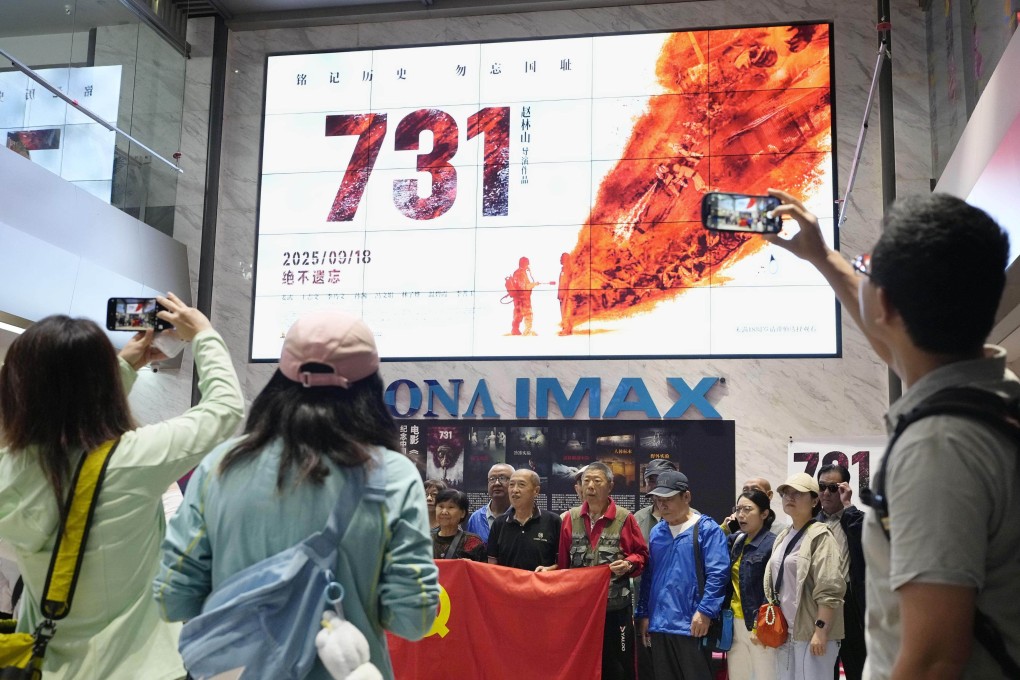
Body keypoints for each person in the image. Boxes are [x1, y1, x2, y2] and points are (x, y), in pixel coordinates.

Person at [766, 189, 1020, 678]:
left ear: (883, 302)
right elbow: (895, 340)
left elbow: (932, 659)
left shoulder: (939, 448)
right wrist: (822, 255)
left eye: (865, 268)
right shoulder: (991, 392)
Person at [154, 310, 439, 680]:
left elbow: (172, 596)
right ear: (370, 386)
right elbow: (413, 617)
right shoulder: (392, 475)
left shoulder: (220, 466)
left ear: (281, 377)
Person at [0, 294, 244, 680]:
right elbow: (224, 409)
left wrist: (122, 368)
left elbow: (66, 418)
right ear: (102, 386)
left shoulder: (8, 469)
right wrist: (203, 335)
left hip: (49, 667)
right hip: (141, 668)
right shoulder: (136, 459)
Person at [539, 462, 649, 680]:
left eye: (596, 481)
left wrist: (628, 564)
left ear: (610, 485)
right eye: (585, 481)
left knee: (619, 666)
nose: (590, 486)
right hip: (581, 610)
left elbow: (642, 555)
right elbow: (564, 564)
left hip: (616, 608)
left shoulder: (624, 518)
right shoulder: (570, 518)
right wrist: (550, 572)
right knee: (582, 663)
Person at [636, 470, 728, 680]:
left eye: (668, 499)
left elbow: (718, 574)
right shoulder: (657, 532)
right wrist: (643, 614)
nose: (662, 506)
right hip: (660, 625)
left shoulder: (707, 529)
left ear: (686, 497)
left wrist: (705, 611)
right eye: (658, 500)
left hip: (692, 625)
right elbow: (649, 576)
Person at [763, 473, 845, 680]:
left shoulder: (821, 536)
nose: (789, 497)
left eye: (798, 493)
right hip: (785, 632)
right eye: (786, 493)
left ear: (815, 500)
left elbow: (830, 587)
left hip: (811, 632)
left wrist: (821, 631)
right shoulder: (783, 535)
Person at [815, 464, 865, 680]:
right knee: (824, 668)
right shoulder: (811, 522)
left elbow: (866, 545)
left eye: (833, 488)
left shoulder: (857, 519)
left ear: (844, 489)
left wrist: (848, 506)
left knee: (858, 667)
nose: (826, 493)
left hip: (850, 604)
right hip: (818, 604)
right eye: (822, 487)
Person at [632, 458, 678, 680]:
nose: (654, 484)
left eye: (659, 479)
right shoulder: (637, 519)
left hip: (682, 612)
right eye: (650, 480)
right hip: (647, 608)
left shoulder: (696, 520)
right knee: (649, 668)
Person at [727, 489, 778, 680]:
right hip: (734, 621)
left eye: (748, 509)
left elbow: (772, 588)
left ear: (764, 514)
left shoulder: (772, 543)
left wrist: (760, 625)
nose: (741, 515)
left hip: (758, 623)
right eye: (738, 509)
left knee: (766, 675)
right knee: (738, 675)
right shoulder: (736, 540)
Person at [486, 468, 560, 571]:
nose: (515, 490)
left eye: (521, 485)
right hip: (507, 586)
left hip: (541, 585)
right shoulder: (499, 523)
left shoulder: (553, 521)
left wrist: (550, 569)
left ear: (536, 491)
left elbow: (563, 562)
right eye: (511, 485)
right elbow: (492, 564)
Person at [432, 488, 487, 562]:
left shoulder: (473, 542)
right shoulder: (425, 541)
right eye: (441, 507)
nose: (444, 512)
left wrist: (470, 566)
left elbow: (482, 571)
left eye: (450, 507)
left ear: (462, 513)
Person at [466, 463, 513, 542]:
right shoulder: (476, 518)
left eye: (502, 478)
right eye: (492, 479)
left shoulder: (520, 516)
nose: (497, 483)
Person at [509, 256, 544, 336]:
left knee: (518, 314)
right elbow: (524, 287)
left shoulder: (518, 272)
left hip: (518, 298)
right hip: (523, 298)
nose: (528, 266)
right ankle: (527, 330)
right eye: (527, 264)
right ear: (524, 264)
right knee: (527, 313)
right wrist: (534, 284)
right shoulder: (520, 273)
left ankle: (515, 330)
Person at [557, 251, 573, 335]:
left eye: (561, 257)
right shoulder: (568, 268)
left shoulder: (566, 269)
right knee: (567, 311)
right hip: (567, 294)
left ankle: (566, 329)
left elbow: (564, 282)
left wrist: (561, 294)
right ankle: (568, 329)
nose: (560, 259)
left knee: (565, 311)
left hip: (565, 294)